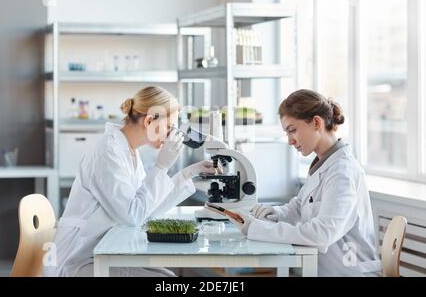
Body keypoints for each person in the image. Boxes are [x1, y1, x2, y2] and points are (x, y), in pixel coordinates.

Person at [43, 86, 216, 277]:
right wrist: (161, 167)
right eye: (169, 127)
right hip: (76, 260)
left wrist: (188, 174)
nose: (170, 134)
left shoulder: (129, 151)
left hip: (101, 250)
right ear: (149, 120)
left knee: (168, 277)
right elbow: (133, 215)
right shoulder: (107, 153)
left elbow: (146, 209)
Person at [228, 89, 380, 277]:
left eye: (292, 130)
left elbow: (321, 234)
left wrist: (259, 229)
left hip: (346, 273)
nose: (290, 140)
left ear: (316, 122)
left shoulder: (342, 172)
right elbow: (299, 207)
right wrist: (274, 213)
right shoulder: (324, 163)